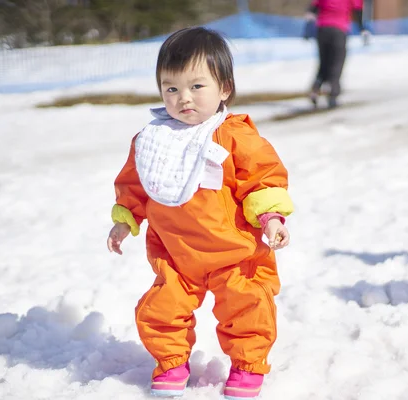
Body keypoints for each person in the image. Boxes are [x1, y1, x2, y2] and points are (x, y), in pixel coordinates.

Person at [106, 27, 294, 400]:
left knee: (248, 307)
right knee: (162, 309)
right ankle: (171, 363)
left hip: (234, 252)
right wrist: (124, 219)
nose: (183, 98)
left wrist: (271, 216)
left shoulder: (233, 135)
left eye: (196, 86)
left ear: (224, 88)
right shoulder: (151, 140)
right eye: (171, 88)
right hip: (176, 253)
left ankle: (247, 367)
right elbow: (136, 184)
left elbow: (262, 178)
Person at [304, 0, 370, 109]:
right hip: (339, 29)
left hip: (322, 28)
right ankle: (333, 93)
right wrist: (362, 29)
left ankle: (315, 89)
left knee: (324, 61)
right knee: (337, 62)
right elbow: (357, 11)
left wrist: (307, 29)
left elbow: (312, 10)